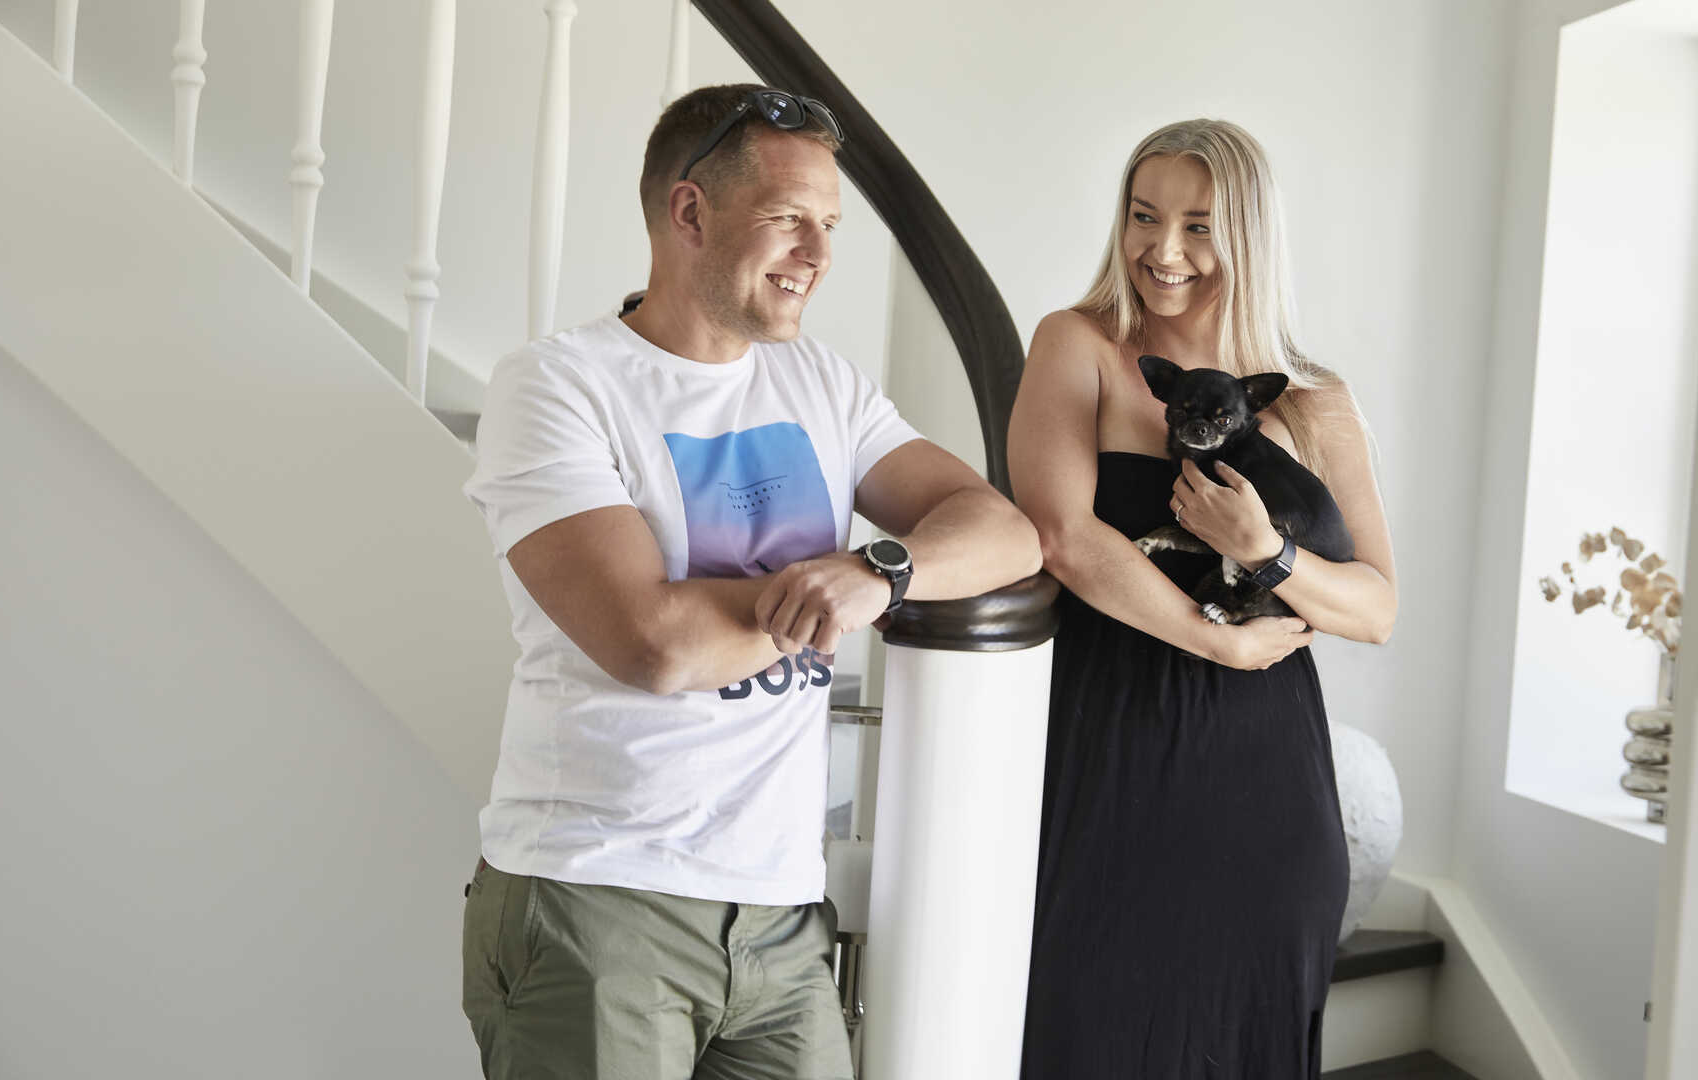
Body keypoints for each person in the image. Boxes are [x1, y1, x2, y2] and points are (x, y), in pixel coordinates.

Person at [459, 83, 1041, 1080]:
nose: (818, 254)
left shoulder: (823, 383)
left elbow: (1005, 532)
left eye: (829, 226)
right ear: (690, 211)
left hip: (779, 913)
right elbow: (652, 643)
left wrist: (877, 571)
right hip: (599, 900)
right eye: (788, 219)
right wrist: (818, 597)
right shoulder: (557, 384)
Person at [1008, 119, 1397, 1078]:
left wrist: (1265, 552)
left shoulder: (1314, 400)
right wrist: (1210, 638)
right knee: (1086, 1025)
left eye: (1197, 226)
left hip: (1268, 770)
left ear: (1250, 238)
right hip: (1110, 736)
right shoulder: (1079, 345)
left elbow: (1375, 609)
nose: (1163, 250)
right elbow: (1062, 534)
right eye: (1144, 217)